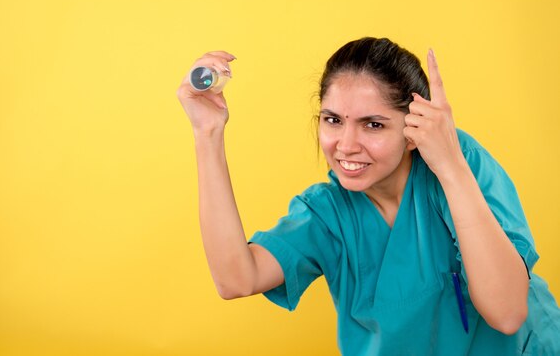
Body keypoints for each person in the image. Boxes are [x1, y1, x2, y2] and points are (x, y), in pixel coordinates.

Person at [176, 37, 560, 355]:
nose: (346, 145)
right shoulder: (328, 212)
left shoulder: (459, 164)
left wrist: (450, 165)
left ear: (413, 130)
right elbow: (235, 279)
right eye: (333, 120)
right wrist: (207, 133)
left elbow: (508, 313)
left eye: (373, 125)